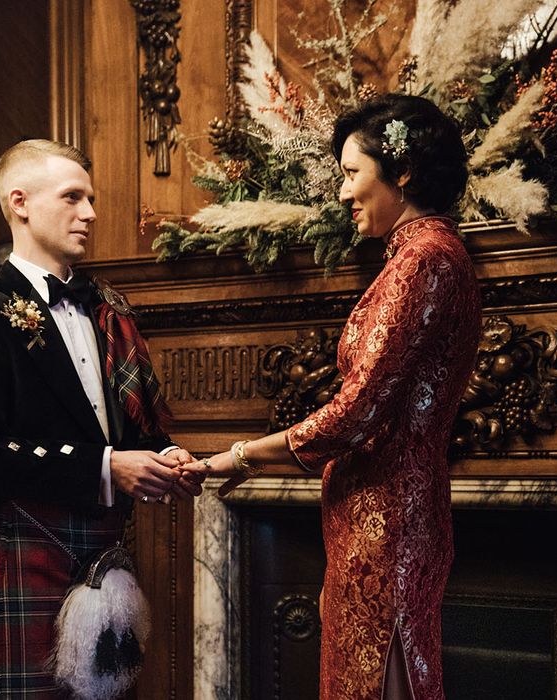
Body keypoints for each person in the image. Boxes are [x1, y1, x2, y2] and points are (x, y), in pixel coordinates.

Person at [194, 95, 481, 699]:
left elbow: (357, 413)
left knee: (379, 682)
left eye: (353, 174)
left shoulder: (424, 259)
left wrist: (242, 455)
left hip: (388, 517)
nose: (344, 193)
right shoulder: (418, 256)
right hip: (379, 512)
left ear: (401, 172)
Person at [0, 139, 203, 698]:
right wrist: (107, 467)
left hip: (107, 555)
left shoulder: (110, 308)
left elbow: (134, 425)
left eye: (92, 198)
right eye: (73, 197)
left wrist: (162, 453)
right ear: (21, 202)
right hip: (31, 550)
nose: (91, 213)